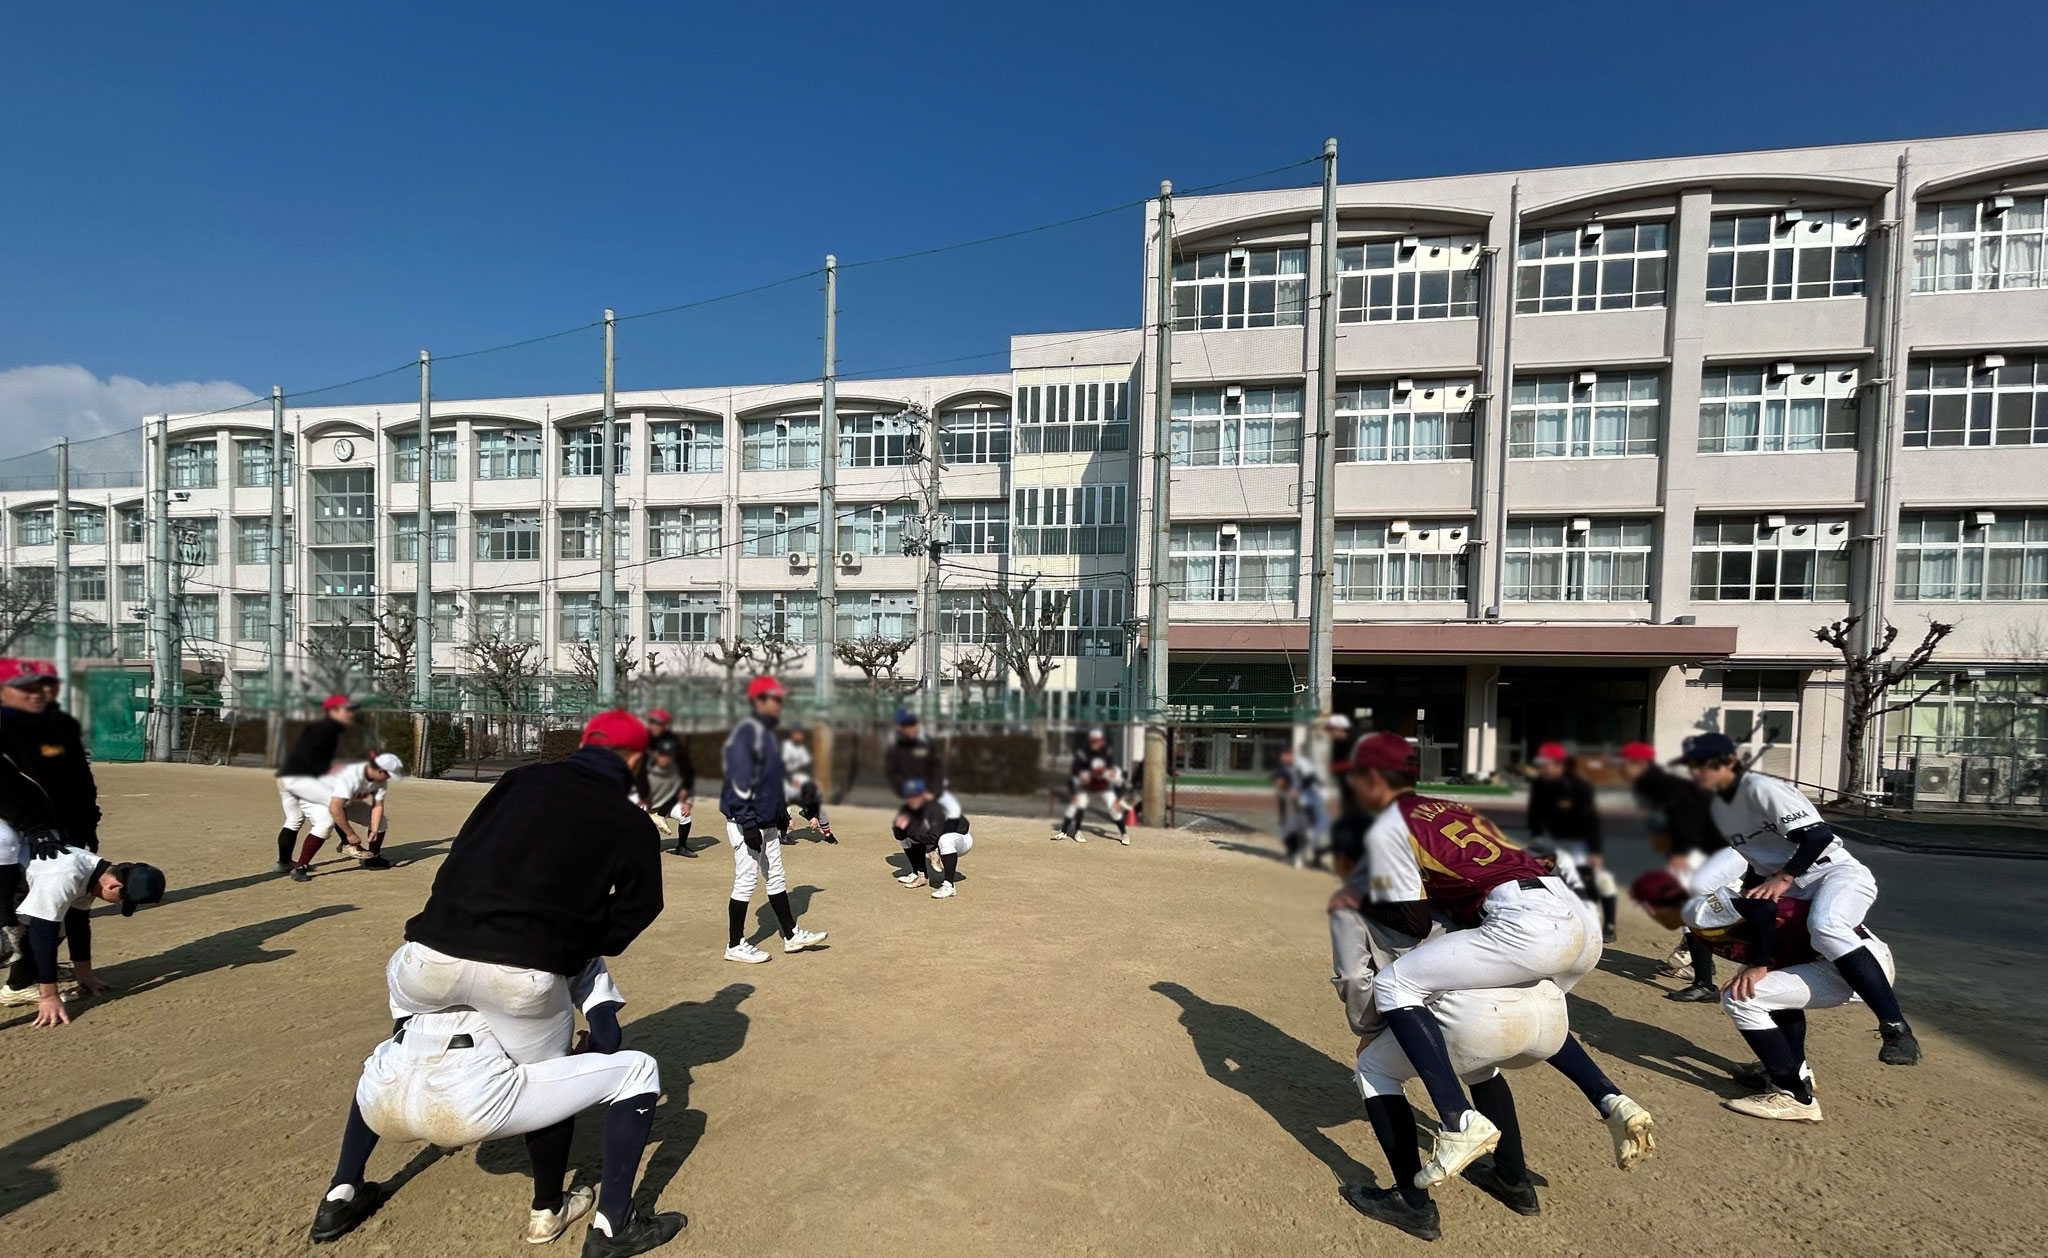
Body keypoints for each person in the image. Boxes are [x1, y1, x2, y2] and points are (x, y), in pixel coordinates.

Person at [310, 709, 682, 1255]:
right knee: (550, 1072)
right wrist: (576, 945)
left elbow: (461, 853)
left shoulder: (518, 780)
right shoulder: (631, 821)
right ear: (636, 758)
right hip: (522, 974)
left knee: (400, 1047)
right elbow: (638, 910)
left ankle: (342, 1191)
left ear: (585, 744)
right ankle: (557, 1211)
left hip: (426, 956)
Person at [1333, 731, 1654, 1189]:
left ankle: (1456, 1119)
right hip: (1574, 915)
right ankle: (1609, 1099)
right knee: (1526, 998)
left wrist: (1358, 895)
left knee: (1394, 985)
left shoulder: (1387, 822)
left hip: (1525, 919)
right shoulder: (1452, 806)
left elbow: (1413, 919)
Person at [1329, 832, 1568, 1239]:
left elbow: (1354, 976)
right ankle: (1514, 1180)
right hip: (1507, 1002)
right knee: (1479, 1066)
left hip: (1443, 1013)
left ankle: (1412, 1203)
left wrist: (1369, 1030)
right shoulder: (1438, 882)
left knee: (1372, 1068)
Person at [1679, 731, 1920, 1066]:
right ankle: (1793, 1068)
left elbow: (1818, 835)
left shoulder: (1760, 789)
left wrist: (1783, 877)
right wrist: (1751, 891)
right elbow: (1758, 861)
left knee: (1826, 925)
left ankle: (1896, 1029)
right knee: (1776, 969)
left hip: (1834, 872)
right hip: (1792, 883)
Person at [1631, 869, 1893, 1124]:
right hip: (1846, 958)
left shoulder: (1698, 910)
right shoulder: (1698, 910)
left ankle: (1794, 1096)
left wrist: (1758, 964)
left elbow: (1763, 910)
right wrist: (1754, 966)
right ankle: (1796, 1073)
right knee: (1767, 992)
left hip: (1855, 968)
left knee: (1741, 996)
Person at [718, 677, 828, 964]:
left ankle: (790, 935)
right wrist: (748, 824)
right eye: (773, 698)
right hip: (747, 823)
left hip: (766, 821)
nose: (779, 704)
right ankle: (734, 944)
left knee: (777, 877)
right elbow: (739, 784)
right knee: (746, 881)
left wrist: (782, 815)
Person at [0, 838, 166, 1026]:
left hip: (15, 883)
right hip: (7, 878)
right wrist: (49, 996)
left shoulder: (95, 875)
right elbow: (42, 934)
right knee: (8, 942)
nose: (120, 903)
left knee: (57, 924)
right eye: (123, 900)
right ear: (114, 886)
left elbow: (77, 923)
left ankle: (18, 986)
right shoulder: (66, 875)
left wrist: (85, 974)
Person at [1616, 740, 1728, 1001]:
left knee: (1695, 914)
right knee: (1691, 914)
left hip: (1706, 855)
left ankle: (1705, 983)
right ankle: (1701, 967)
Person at [0, 658, 100, 852]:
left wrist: (88, 823)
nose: (38, 692)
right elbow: (6, 787)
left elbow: (81, 779)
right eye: (25, 687)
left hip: (60, 827)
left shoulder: (60, 726)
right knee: (6, 845)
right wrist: (34, 828)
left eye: (41, 686)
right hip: (20, 828)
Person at [1525, 742, 1616, 942]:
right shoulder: (1540, 784)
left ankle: (1607, 924)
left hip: (1578, 840)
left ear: (1558, 764)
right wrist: (1536, 839)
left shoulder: (1578, 786)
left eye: (1545, 764)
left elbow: (1591, 820)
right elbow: (1535, 815)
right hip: (1549, 839)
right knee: (1528, 867)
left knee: (1597, 879)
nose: (1542, 768)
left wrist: (1594, 852)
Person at [282, 752, 404, 881]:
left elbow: (377, 806)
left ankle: (372, 858)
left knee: (380, 822)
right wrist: (350, 834)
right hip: (315, 797)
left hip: (342, 800)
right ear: (379, 770)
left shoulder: (379, 781)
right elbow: (335, 808)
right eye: (388, 774)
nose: (388, 778)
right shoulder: (351, 776)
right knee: (325, 824)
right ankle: (300, 867)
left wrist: (374, 829)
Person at [274, 695, 358, 874]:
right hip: (301, 778)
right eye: (347, 710)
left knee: (294, 819)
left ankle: (284, 862)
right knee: (334, 806)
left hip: (286, 776)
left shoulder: (319, 727)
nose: (351, 713)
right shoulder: (328, 729)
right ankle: (348, 842)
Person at [895, 777, 974, 899]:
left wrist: (911, 831)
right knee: (909, 838)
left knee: (944, 840)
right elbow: (900, 835)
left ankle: (949, 886)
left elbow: (932, 838)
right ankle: (920, 875)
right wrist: (900, 827)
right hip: (937, 839)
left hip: (961, 839)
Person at [637, 711, 697, 856]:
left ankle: (681, 847)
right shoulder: (645, 762)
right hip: (646, 803)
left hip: (663, 806)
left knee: (684, 815)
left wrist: (686, 801)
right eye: (652, 722)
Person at [1057, 728, 1130, 845]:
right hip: (1087, 785)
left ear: (1102, 741)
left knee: (1114, 810)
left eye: (1097, 741)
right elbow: (1076, 772)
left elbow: (1112, 772)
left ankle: (1124, 833)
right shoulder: (1083, 753)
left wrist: (1116, 792)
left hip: (1103, 785)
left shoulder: (1106, 751)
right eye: (1093, 741)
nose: (1095, 744)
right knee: (1077, 805)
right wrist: (1080, 780)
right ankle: (1074, 831)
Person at [781, 727, 837, 844]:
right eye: (796, 733)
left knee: (820, 809)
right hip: (788, 784)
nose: (799, 736)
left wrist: (814, 816)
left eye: (800, 734)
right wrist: (788, 819)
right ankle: (783, 834)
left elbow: (808, 768)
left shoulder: (803, 750)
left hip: (801, 784)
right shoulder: (786, 747)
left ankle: (827, 834)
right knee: (785, 810)